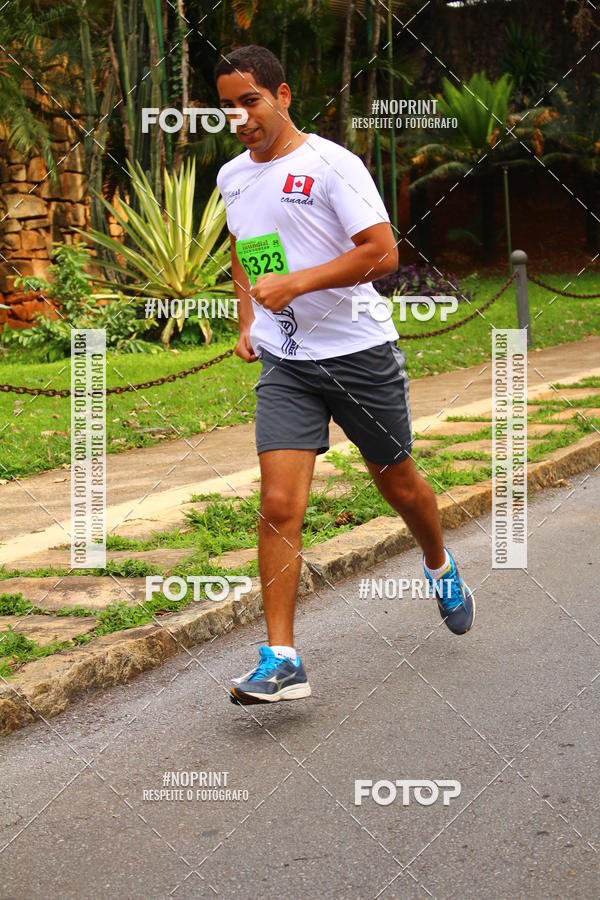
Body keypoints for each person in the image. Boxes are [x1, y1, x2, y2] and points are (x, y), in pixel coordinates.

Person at [214, 45, 474, 706]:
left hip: (359, 355)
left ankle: (440, 565)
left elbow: (382, 252)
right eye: (228, 106)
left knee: (400, 483)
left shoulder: (332, 164)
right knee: (277, 504)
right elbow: (247, 255)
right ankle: (282, 658)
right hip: (288, 362)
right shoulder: (233, 177)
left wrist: (299, 281)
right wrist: (247, 320)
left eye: (251, 101)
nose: (241, 116)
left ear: (282, 95)